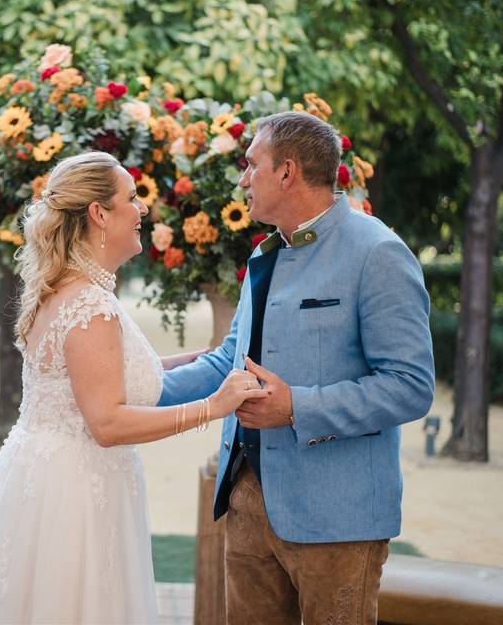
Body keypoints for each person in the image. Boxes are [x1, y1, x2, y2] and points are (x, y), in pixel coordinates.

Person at [0, 151, 270, 624]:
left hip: (44, 478)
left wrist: (197, 359)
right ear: (99, 213)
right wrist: (213, 407)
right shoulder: (90, 304)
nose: (143, 210)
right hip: (75, 494)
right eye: (132, 199)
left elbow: (101, 374)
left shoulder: (69, 292)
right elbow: (107, 422)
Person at [159, 111, 436, 624]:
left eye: (251, 165)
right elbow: (228, 361)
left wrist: (296, 407)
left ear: (286, 172)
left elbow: (410, 387)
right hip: (245, 503)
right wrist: (135, 387)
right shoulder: (266, 254)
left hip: (339, 519)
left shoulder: (378, 252)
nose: (243, 179)